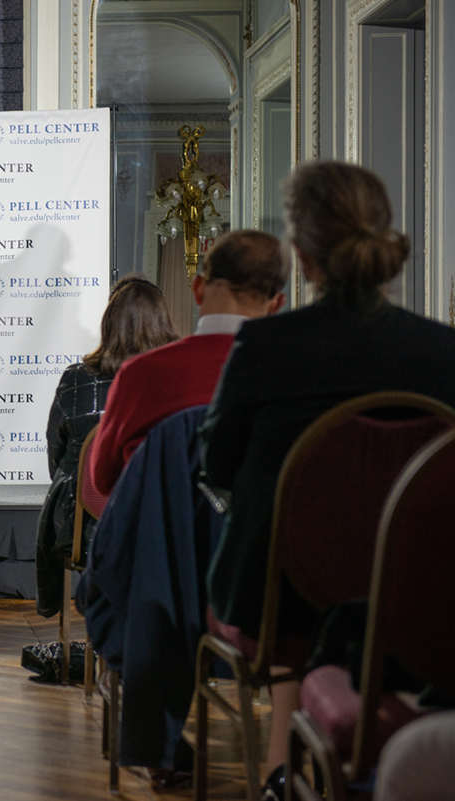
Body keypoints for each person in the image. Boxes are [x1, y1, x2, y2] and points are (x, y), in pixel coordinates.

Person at [200, 161, 455, 801]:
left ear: (305, 259)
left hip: (278, 601)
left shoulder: (265, 347)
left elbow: (218, 467)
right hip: (415, 600)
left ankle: (281, 770)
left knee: (296, 575)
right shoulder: (444, 353)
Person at [25, 275, 179, 679]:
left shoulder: (77, 378)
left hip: (84, 527)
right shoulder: (174, 382)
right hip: (163, 525)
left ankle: (91, 640)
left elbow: (56, 456)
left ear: (109, 323)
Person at [90, 230, 287, 496]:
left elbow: (103, 481)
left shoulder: (138, 374)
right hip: (254, 535)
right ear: (277, 303)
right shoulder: (289, 377)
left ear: (198, 289)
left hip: (160, 534)